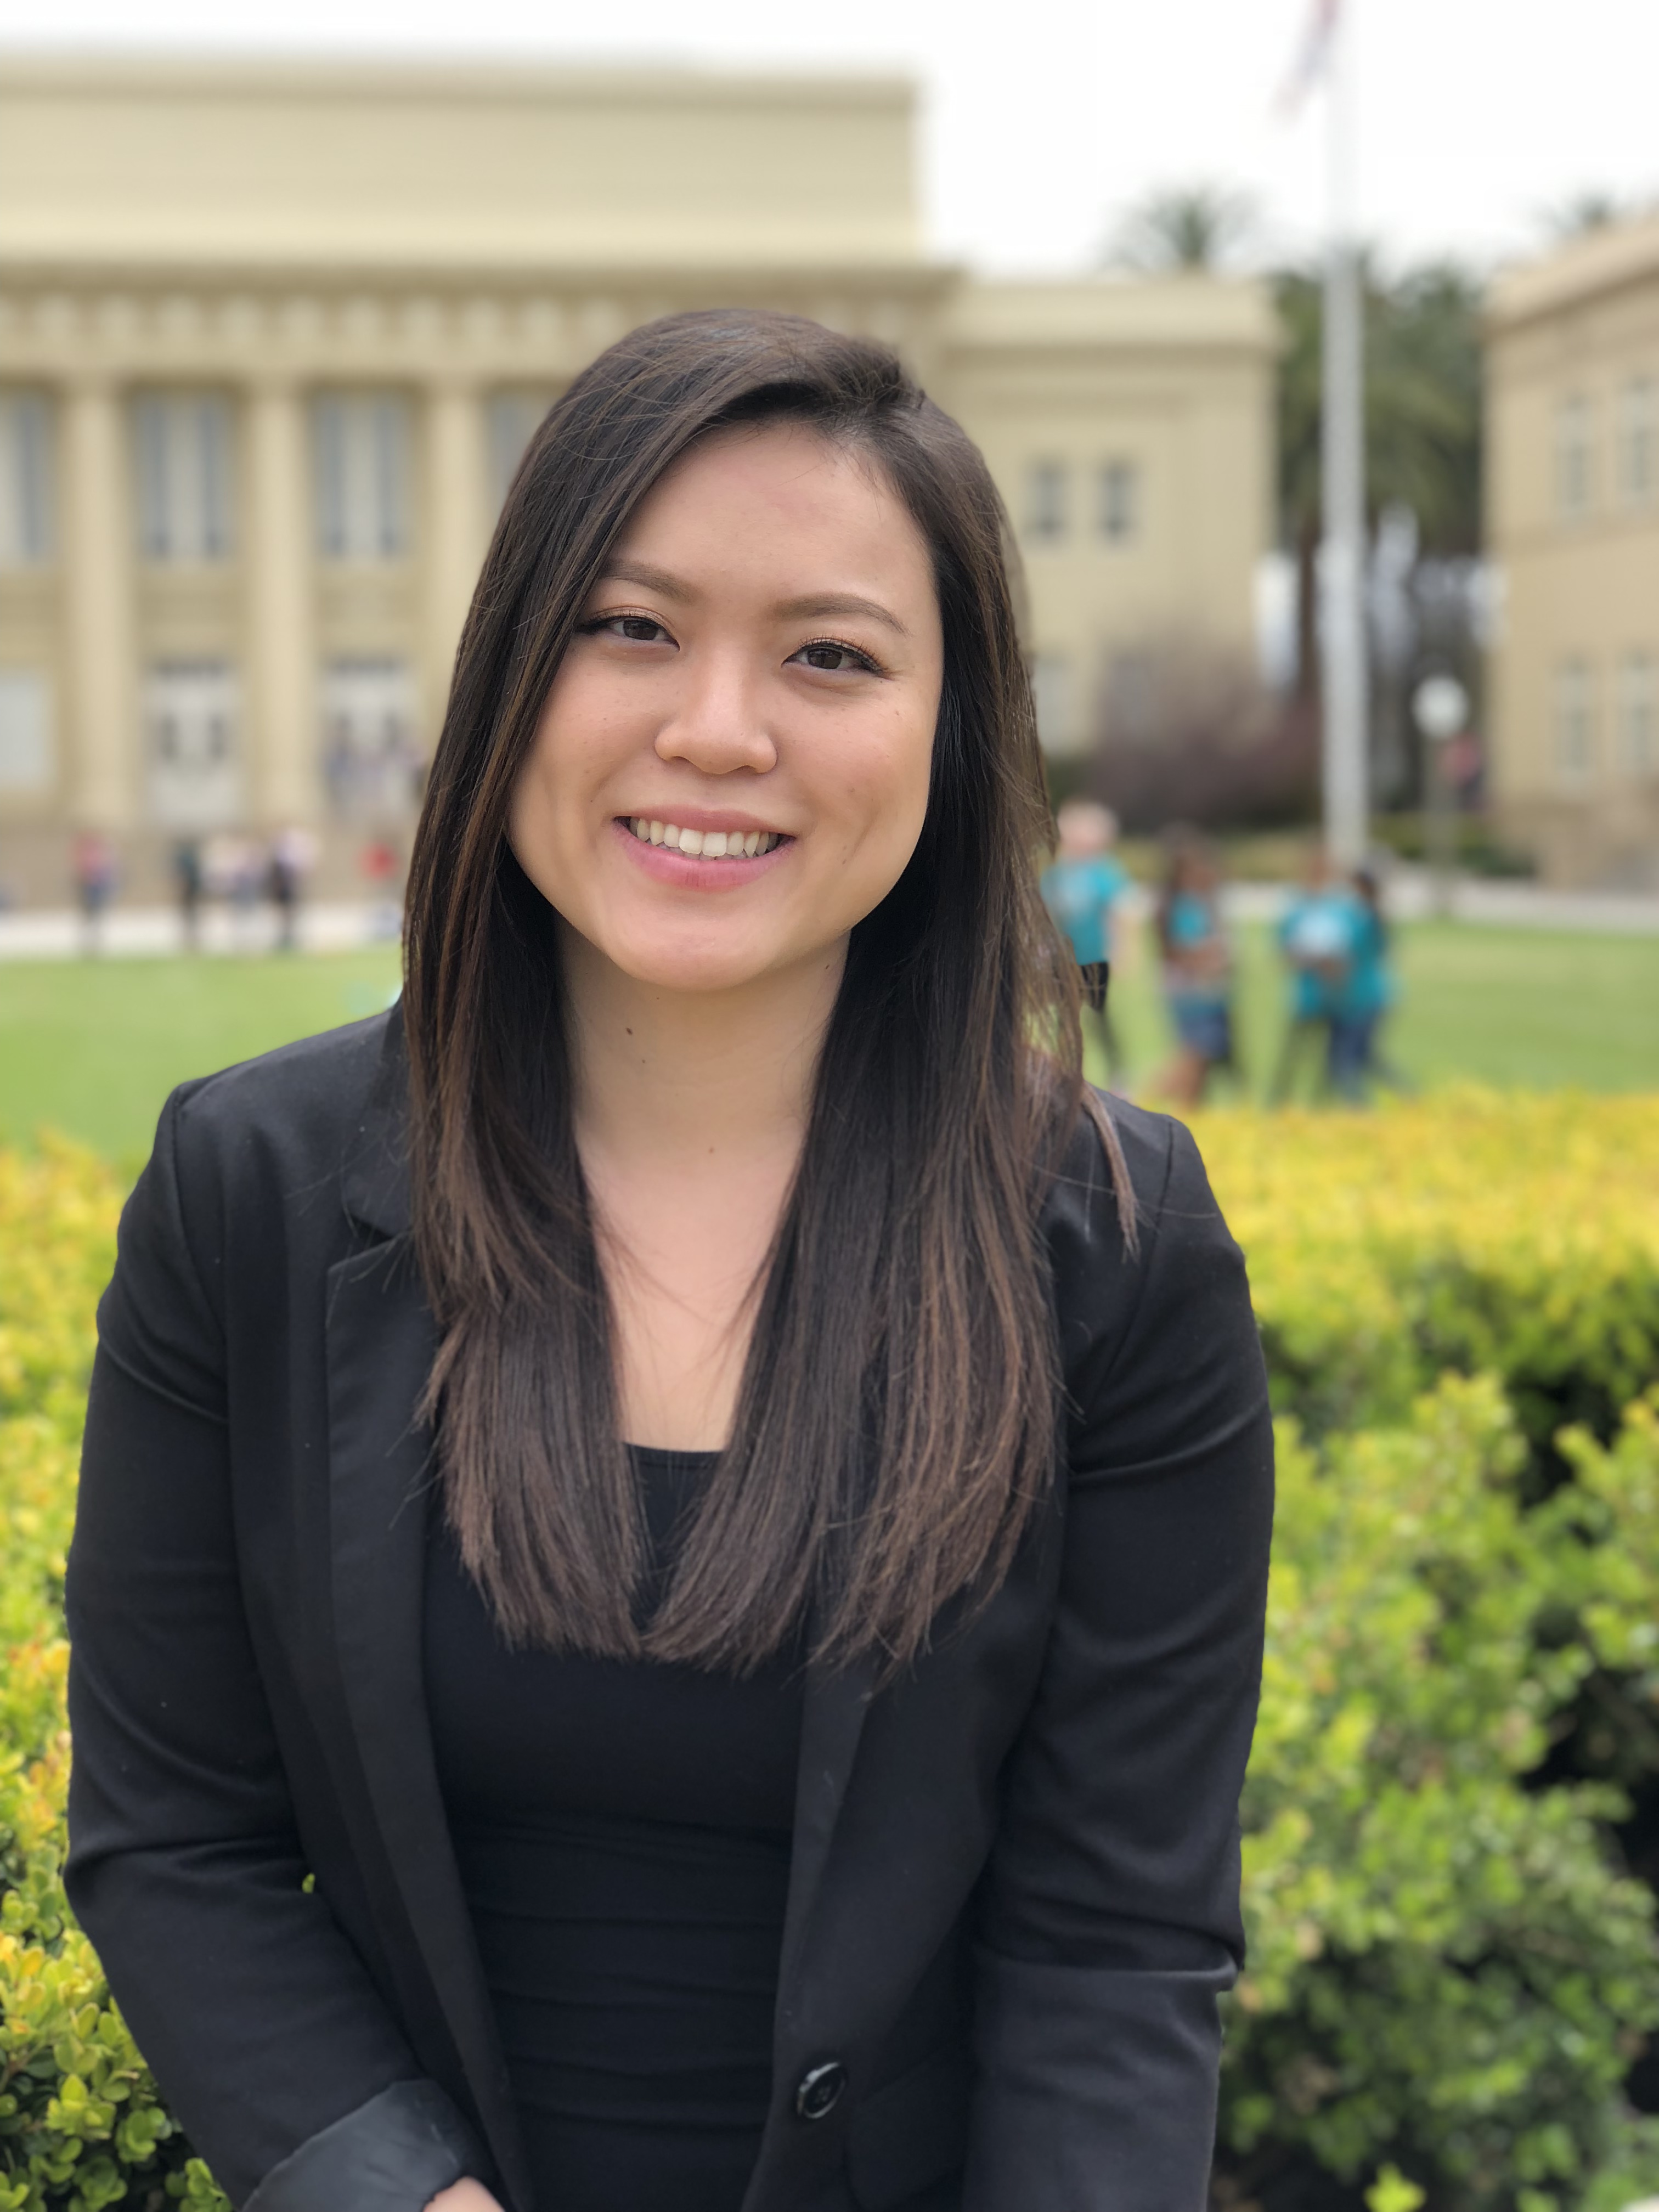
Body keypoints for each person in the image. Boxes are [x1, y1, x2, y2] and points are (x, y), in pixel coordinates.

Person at [67, 312, 1274, 2212]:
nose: (719, 725)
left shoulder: (1111, 1248)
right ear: (506, 675)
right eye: (629, 626)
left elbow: (1113, 1944)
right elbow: (177, 1842)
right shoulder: (254, 1189)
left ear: (950, 736)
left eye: (830, 654)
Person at [1040, 798, 1129, 1081]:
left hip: (1095, 956)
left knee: (1102, 1019)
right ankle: (1062, 1071)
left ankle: (1118, 1073)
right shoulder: (1059, 872)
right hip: (1064, 958)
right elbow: (1047, 912)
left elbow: (1119, 914)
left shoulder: (1104, 872)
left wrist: (1120, 949)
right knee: (1065, 1018)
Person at [1269, 845, 1357, 1105]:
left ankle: (1323, 1105)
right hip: (1306, 994)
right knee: (1294, 1055)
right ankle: (1279, 1104)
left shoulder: (1341, 906)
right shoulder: (1296, 905)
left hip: (1336, 994)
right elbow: (1283, 951)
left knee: (1332, 1059)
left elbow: (1352, 950)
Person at [1154, 830, 1236, 1108]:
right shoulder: (1186, 906)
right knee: (1194, 1055)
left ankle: (1193, 1110)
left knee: (1203, 1058)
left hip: (1206, 990)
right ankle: (1140, 1097)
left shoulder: (1200, 903)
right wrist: (1214, 956)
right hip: (1192, 990)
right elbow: (1181, 950)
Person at [1328, 864, 1406, 1101]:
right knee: (1364, 1057)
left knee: (1345, 1063)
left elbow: (1346, 958)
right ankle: (1408, 1095)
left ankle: (1361, 1108)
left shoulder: (1362, 918)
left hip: (1360, 997)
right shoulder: (1373, 915)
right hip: (1374, 994)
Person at [72, 829, 116, 954]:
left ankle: (95, 943)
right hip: (87, 887)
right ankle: (88, 943)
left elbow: (107, 869)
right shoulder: (84, 853)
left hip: (97, 887)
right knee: (88, 917)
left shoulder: (100, 853)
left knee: (97, 916)